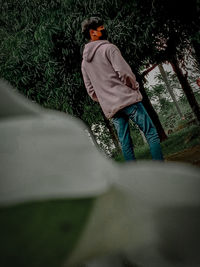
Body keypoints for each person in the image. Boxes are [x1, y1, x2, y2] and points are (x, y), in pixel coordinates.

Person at [81, 17, 164, 161]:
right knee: (150, 132)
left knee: (125, 143)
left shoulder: (84, 63)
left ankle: (132, 180)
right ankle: (161, 169)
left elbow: (91, 91)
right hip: (128, 100)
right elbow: (125, 73)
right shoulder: (109, 48)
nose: (104, 29)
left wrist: (105, 99)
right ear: (93, 32)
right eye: (101, 28)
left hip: (112, 108)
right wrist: (134, 87)